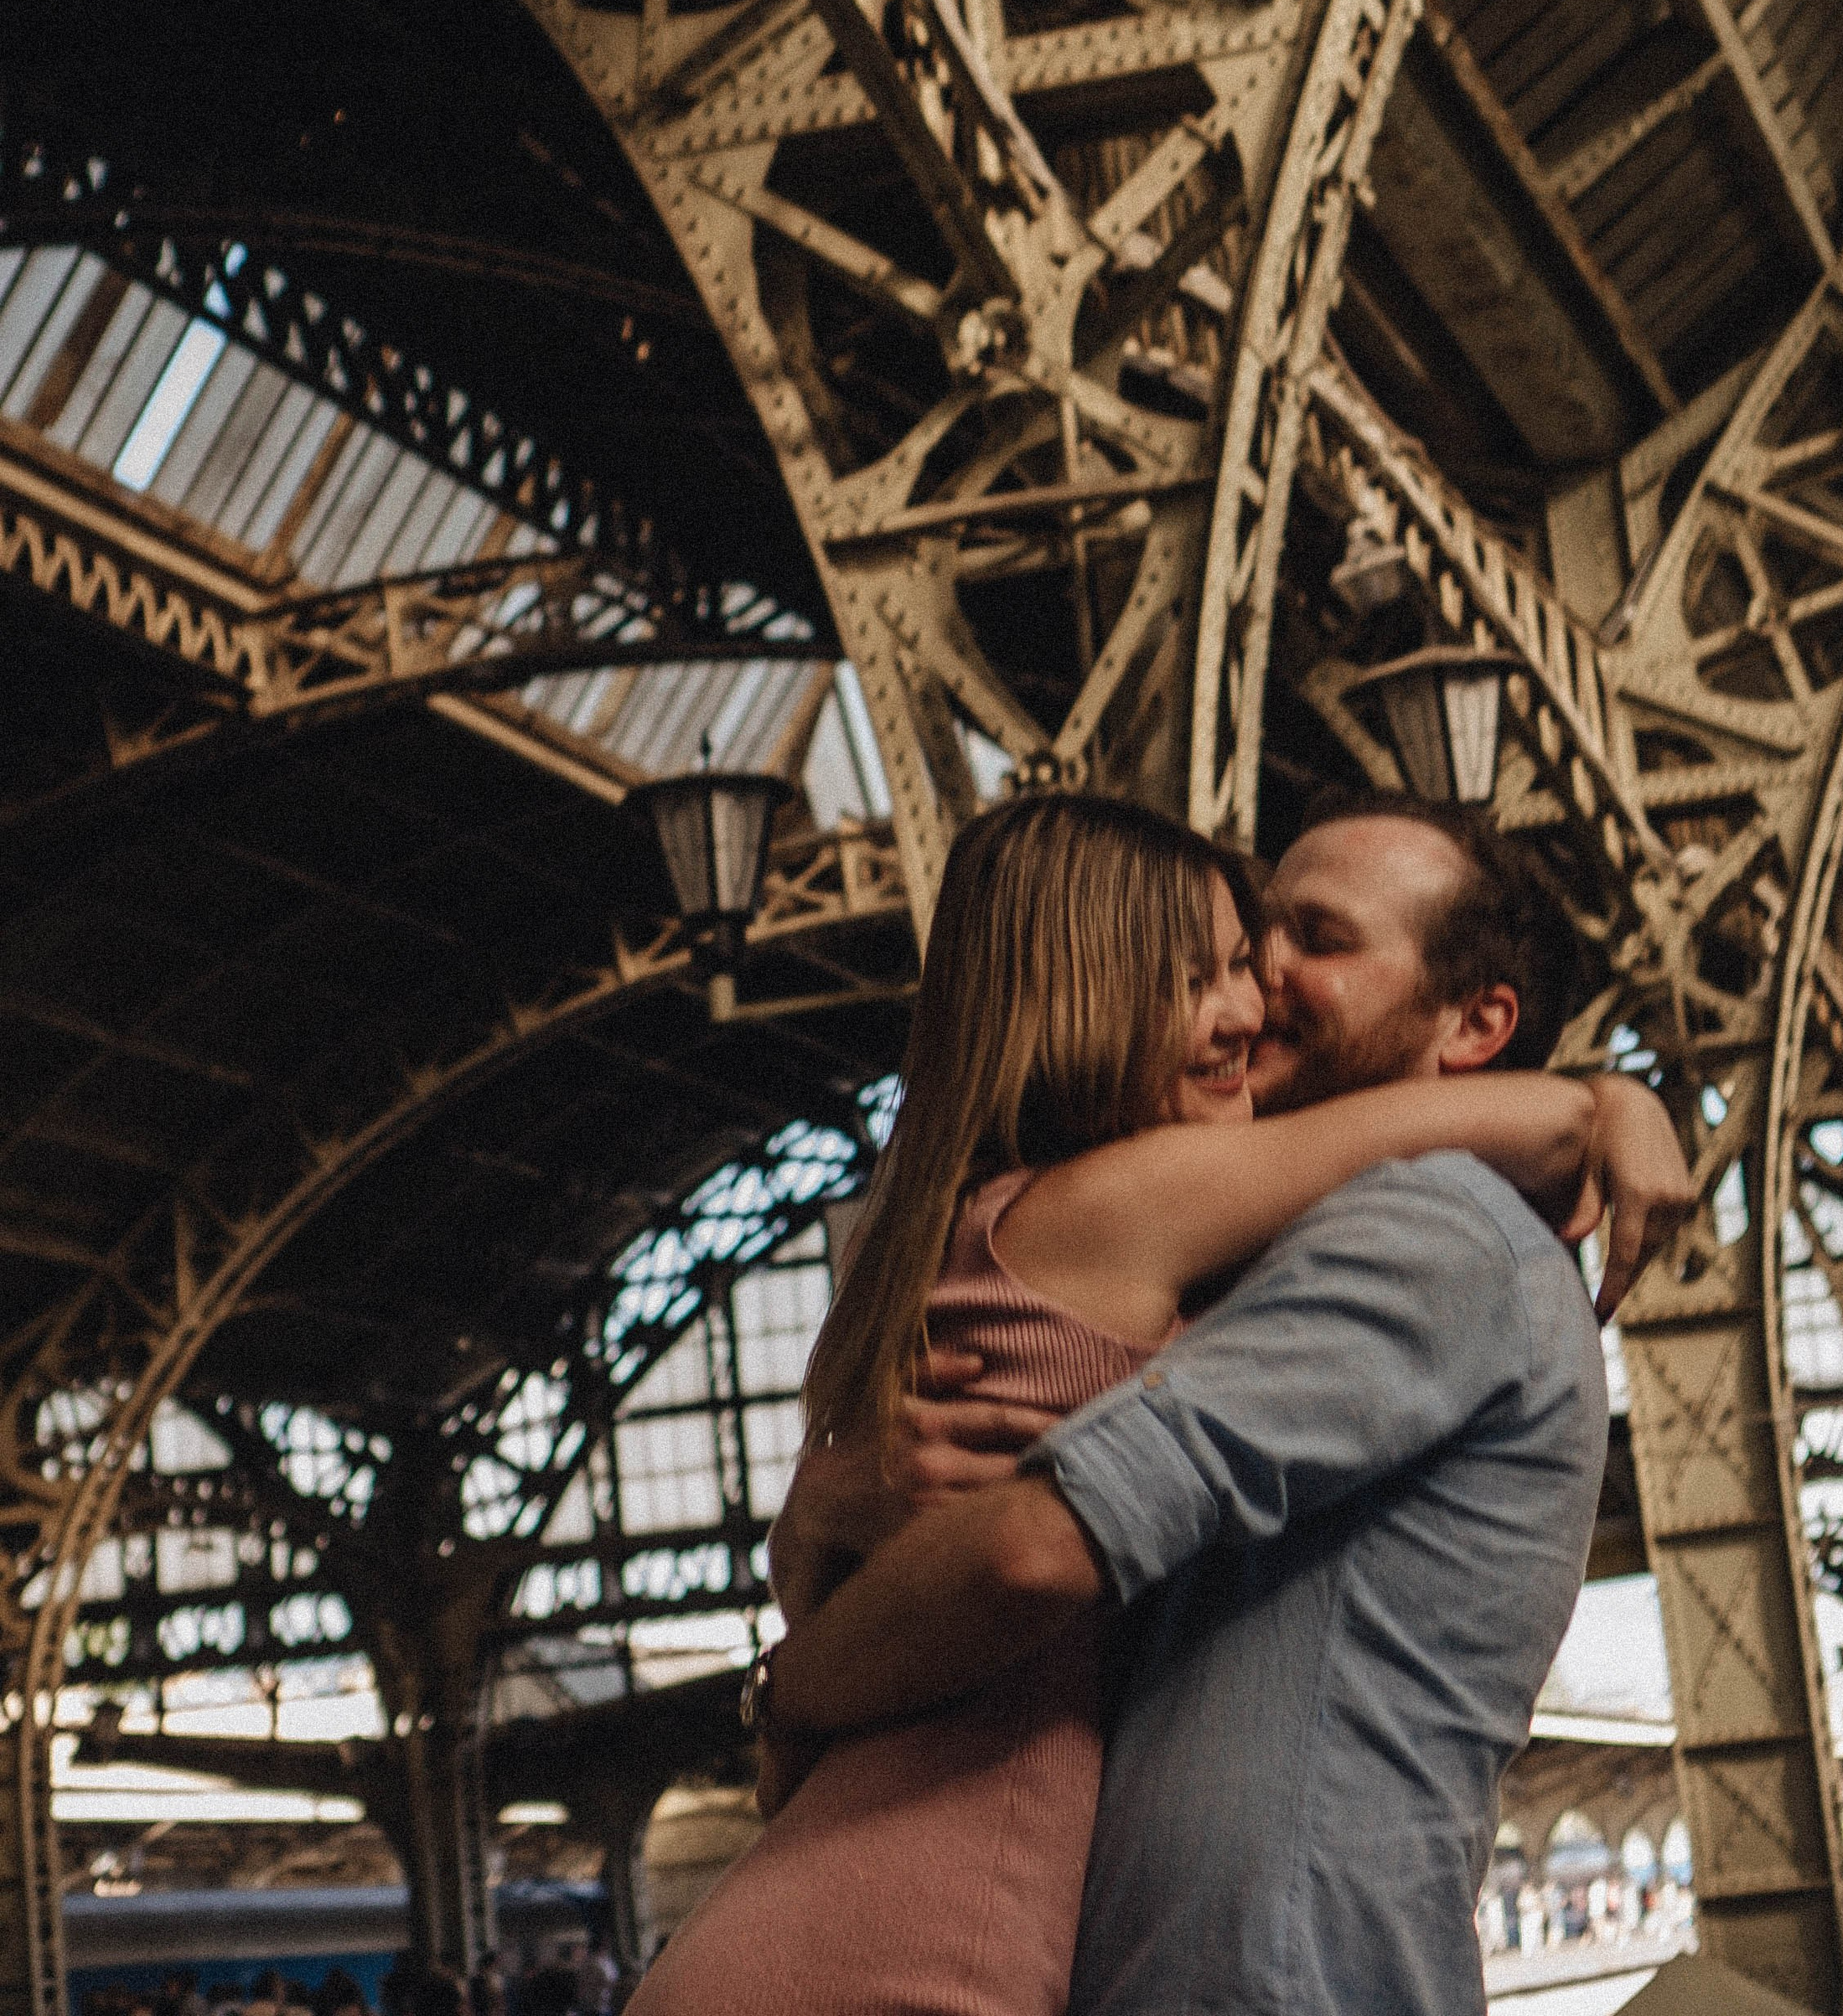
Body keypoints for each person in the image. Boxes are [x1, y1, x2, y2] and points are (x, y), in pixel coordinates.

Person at [629, 789, 1674, 2016]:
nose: (1264, 983)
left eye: (1311, 943)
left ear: (1478, 1020)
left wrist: (787, 1687)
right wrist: (1599, 1103)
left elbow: (1030, 1545)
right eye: (1234, 954)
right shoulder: (1181, 1229)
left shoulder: (1426, 1223)